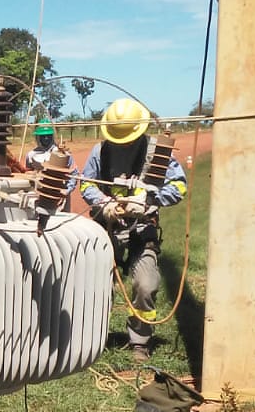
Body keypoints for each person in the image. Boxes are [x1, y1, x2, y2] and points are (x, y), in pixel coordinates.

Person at [79, 97, 187, 361]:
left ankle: (140, 340)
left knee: (146, 285)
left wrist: (148, 200)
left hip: (142, 231)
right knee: (97, 285)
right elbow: (86, 184)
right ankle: (94, 338)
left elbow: (179, 187)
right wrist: (103, 203)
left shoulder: (157, 154)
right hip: (108, 229)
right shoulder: (100, 151)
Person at [24, 119, 77, 211]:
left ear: (52, 136)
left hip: (59, 195)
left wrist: (66, 191)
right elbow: (28, 175)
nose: (46, 138)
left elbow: (74, 174)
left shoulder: (63, 154)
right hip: (39, 196)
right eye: (43, 136)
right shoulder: (31, 155)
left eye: (48, 136)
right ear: (38, 137)